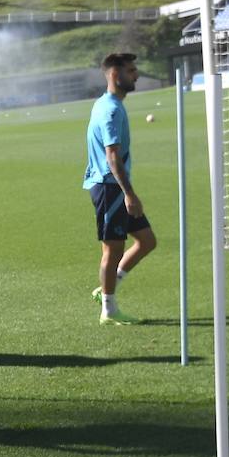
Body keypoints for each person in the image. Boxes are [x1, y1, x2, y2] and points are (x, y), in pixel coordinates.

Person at [84, 52, 157, 325]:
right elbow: (112, 156)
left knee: (147, 241)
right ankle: (108, 309)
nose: (136, 74)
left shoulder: (106, 103)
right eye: (131, 70)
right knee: (112, 250)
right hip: (109, 188)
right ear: (116, 75)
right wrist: (129, 194)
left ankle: (107, 287)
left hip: (113, 186)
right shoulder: (111, 109)